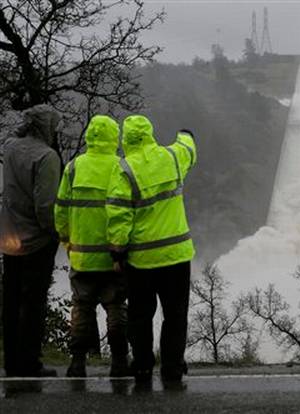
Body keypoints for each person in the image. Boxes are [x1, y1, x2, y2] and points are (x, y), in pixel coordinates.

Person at [106, 115, 196, 384]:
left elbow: (119, 216)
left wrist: (118, 253)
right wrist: (184, 131)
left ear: (125, 139)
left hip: (141, 260)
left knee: (140, 316)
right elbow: (189, 148)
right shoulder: (171, 157)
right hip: (176, 256)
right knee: (176, 314)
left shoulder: (125, 170)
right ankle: (172, 366)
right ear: (150, 133)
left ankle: (143, 364)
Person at [54, 115, 129, 377]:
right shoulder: (121, 167)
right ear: (113, 138)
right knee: (116, 306)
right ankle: (119, 362)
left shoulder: (74, 168)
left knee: (81, 309)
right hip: (112, 256)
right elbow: (127, 212)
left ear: (89, 137)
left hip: (82, 256)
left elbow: (61, 211)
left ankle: (77, 362)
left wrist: (66, 241)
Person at [0, 104, 61, 377]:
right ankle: (30, 362)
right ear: (46, 127)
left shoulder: (10, 147)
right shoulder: (47, 157)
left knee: (11, 301)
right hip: (36, 240)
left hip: (9, 236)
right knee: (33, 302)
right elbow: (45, 205)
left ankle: (11, 360)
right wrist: (54, 232)